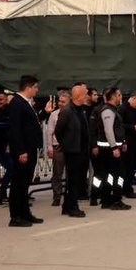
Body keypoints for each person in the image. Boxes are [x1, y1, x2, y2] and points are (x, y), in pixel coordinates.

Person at [7, 75, 46, 227]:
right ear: (28, 86)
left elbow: (31, 124)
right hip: (23, 151)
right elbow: (15, 129)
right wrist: (20, 151)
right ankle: (15, 216)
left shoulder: (26, 103)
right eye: (36, 87)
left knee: (24, 184)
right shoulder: (17, 103)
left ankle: (25, 213)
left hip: (30, 149)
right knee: (18, 184)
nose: (37, 90)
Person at [90, 87, 130, 210]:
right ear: (113, 96)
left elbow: (116, 130)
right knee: (118, 175)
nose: (120, 97)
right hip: (110, 149)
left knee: (109, 175)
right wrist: (114, 147)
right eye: (119, 95)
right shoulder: (108, 111)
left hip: (111, 148)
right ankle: (116, 199)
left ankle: (107, 200)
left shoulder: (112, 110)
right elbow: (108, 130)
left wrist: (122, 141)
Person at [55, 85, 90, 218]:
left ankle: (67, 205)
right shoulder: (67, 111)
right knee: (74, 179)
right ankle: (72, 206)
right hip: (73, 150)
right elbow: (58, 130)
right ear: (78, 96)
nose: (87, 96)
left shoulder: (81, 110)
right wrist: (65, 144)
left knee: (76, 179)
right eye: (85, 94)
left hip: (81, 149)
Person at [46, 91, 71, 206]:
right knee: (57, 173)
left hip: (71, 146)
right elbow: (49, 132)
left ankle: (70, 195)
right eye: (59, 101)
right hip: (58, 147)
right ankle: (56, 196)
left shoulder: (73, 114)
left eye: (63, 102)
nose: (60, 103)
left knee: (71, 172)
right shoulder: (54, 115)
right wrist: (50, 148)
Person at [118, 92, 136, 199]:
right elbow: (120, 125)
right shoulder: (123, 109)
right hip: (126, 142)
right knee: (126, 168)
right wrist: (133, 127)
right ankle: (123, 189)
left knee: (132, 167)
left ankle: (128, 188)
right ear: (133, 98)